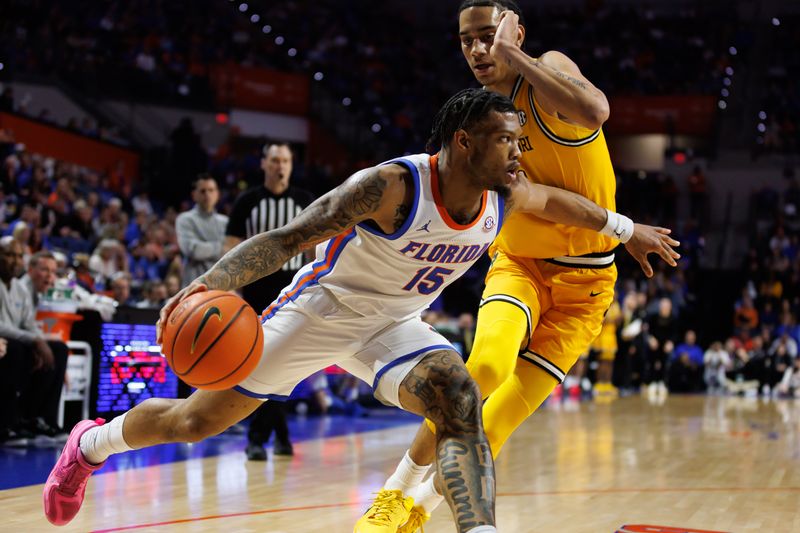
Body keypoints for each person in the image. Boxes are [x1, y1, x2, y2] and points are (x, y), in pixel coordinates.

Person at [43, 88, 677, 532]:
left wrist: (627, 229)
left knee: (460, 397)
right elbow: (288, 238)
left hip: (394, 326)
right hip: (321, 311)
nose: (519, 154)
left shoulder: (504, 195)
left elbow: (568, 206)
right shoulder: (393, 185)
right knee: (193, 422)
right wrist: (206, 285)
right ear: (464, 141)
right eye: (508, 141)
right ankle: (91, 444)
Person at [360, 3, 678, 530]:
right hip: (520, 265)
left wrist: (515, 55)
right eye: (467, 41)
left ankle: (418, 514)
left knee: (498, 421)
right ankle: (392, 496)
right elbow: (527, 197)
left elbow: (596, 111)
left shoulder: (548, 69)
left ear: (515, 32)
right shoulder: (473, 119)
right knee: (482, 369)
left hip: (588, 285)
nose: (478, 50)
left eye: (489, 36)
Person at [225, 143, 315, 460]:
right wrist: (233, 290)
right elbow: (230, 248)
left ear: (292, 165)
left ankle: (271, 437)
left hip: (293, 291)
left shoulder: (304, 201)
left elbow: (314, 253)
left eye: (286, 160)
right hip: (254, 292)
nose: (280, 166)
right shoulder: (247, 201)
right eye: (275, 160)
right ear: (263, 163)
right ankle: (266, 437)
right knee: (263, 365)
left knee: (280, 365)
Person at [0, 237, 69, 440]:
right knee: (17, 349)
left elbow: (29, 323)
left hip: (15, 342)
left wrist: (40, 343)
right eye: (9, 255)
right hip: (7, 345)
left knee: (58, 349)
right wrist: (34, 341)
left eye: (19, 256)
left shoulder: (19, 289)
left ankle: (41, 419)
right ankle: (6, 424)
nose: (14, 260)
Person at [175, 174, 228, 288]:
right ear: (194, 195)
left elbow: (232, 254)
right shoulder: (185, 219)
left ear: (217, 194)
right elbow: (193, 251)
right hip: (194, 287)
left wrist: (204, 248)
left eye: (211, 190)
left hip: (222, 287)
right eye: (203, 191)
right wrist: (221, 247)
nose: (207, 194)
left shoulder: (226, 222)